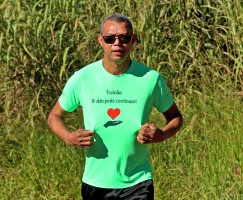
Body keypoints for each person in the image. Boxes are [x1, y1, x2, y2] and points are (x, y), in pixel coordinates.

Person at [48, 13, 183, 200]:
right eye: (110, 38)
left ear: (133, 40)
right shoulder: (82, 78)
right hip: (95, 182)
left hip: (138, 182)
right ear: (100, 41)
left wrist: (161, 134)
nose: (117, 43)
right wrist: (68, 137)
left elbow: (176, 117)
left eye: (124, 38)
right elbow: (54, 116)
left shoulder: (150, 79)